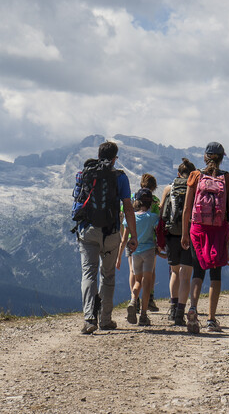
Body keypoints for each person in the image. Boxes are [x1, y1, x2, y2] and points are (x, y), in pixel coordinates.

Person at [180, 142, 229, 333]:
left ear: (205, 156)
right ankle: (211, 319)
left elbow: (187, 208)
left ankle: (192, 308)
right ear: (222, 157)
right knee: (215, 274)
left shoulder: (195, 176)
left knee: (198, 270)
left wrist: (185, 233)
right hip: (219, 230)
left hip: (197, 229)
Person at [72, 141, 138, 334]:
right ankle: (106, 319)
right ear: (115, 158)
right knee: (107, 275)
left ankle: (89, 318)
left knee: (89, 274)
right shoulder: (120, 177)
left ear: (98, 155)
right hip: (111, 233)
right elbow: (127, 207)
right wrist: (133, 235)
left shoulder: (85, 174)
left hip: (88, 231)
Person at [159, 158, 197, 326]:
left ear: (178, 174)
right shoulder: (194, 188)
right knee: (186, 276)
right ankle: (181, 312)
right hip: (189, 235)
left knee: (174, 272)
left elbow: (161, 212)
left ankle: (173, 309)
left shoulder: (169, 188)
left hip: (172, 233)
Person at [122, 173, 161, 312]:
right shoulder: (155, 201)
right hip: (149, 243)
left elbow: (123, 215)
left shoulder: (133, 198)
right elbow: (159, 221)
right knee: (150, 272)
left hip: (132, 241)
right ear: (154, 187)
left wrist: (124, 239)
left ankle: (134, 299)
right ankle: (149, 299)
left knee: (133, 272)